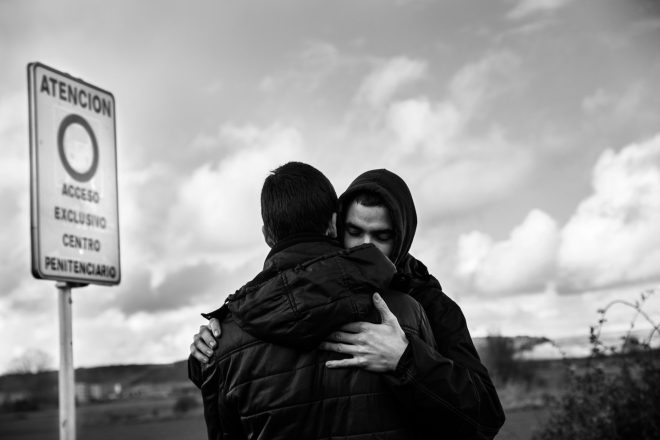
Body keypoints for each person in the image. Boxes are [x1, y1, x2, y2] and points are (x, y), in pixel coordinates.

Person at [191, 168, 506, 439]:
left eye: (381, 236)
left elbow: (485, 417)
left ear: (403, 238)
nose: (365, 246)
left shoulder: (427, 305)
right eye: (354, 231)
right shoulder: (303, 289)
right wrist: (204, 352)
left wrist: (407, 360)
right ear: (334, 226)